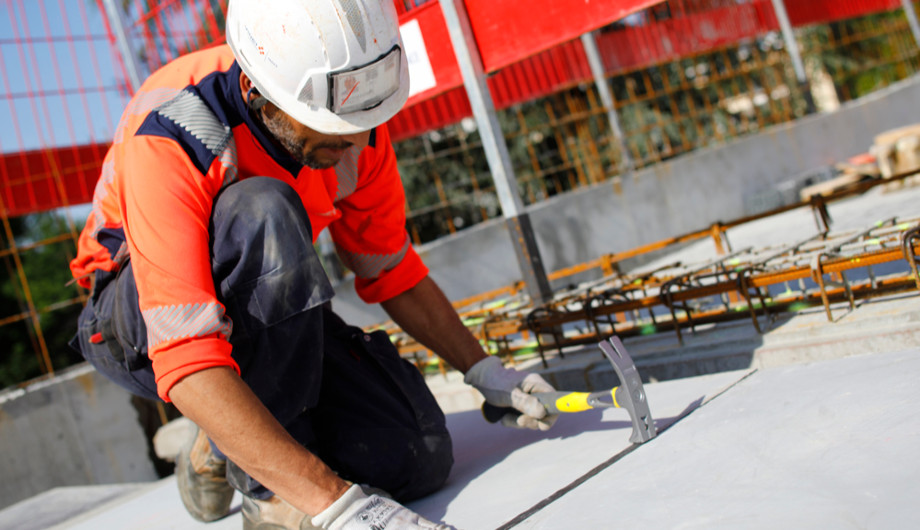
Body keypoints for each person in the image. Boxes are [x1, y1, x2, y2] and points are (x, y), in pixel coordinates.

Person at [69, 0, 557, 528]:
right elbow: (184, 355)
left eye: (364, 116)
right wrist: (337, 505)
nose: (358, 142)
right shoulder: (176, 130)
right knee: (263, 210)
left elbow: (390, 269)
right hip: (138, 325)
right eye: (335, 123)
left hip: (263, 316)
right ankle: (267, 494)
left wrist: (484, 370)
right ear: (261, 93)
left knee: (418, 453)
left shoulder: (354, 119)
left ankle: (226, 436)